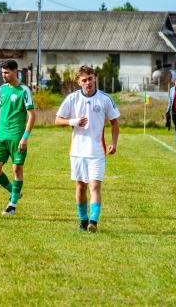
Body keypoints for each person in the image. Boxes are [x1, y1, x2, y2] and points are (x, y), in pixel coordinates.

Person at [55, 65, 120, 233]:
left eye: (90, 78)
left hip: (97, 151)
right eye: (84, 80)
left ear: (95, 78)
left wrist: (114, 142)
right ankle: (83, 221)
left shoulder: (105, 99)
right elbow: (57, 120)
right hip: (77, 151)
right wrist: (73, 122)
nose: (88, 82)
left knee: (95, 186)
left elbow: (114, 123)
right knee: (80, 187)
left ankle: (93, 221)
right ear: (79, 82)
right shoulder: (72, 99)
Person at [0, 60, 36, 216]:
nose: (3, 75)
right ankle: (15, 192)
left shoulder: (24, 90)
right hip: (1, 135)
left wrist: (25, 137)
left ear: (16, 72)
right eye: (2, 72)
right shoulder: (2, 89)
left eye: (7, 72)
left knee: (17, 169)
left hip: (17, 136)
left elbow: (32, 116)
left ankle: (12, 204)